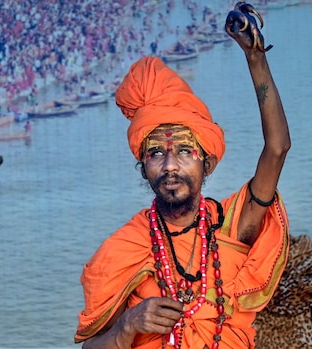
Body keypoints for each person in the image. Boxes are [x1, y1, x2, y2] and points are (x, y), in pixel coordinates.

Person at [75, 3, 291, 348]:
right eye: (156, 153)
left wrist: (255, 59)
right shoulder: (123, 250)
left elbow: (277, 148)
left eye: (184, 152)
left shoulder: (233, 226)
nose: (170, 165)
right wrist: (127, 325)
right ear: (143, 168)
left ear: (207, 164)